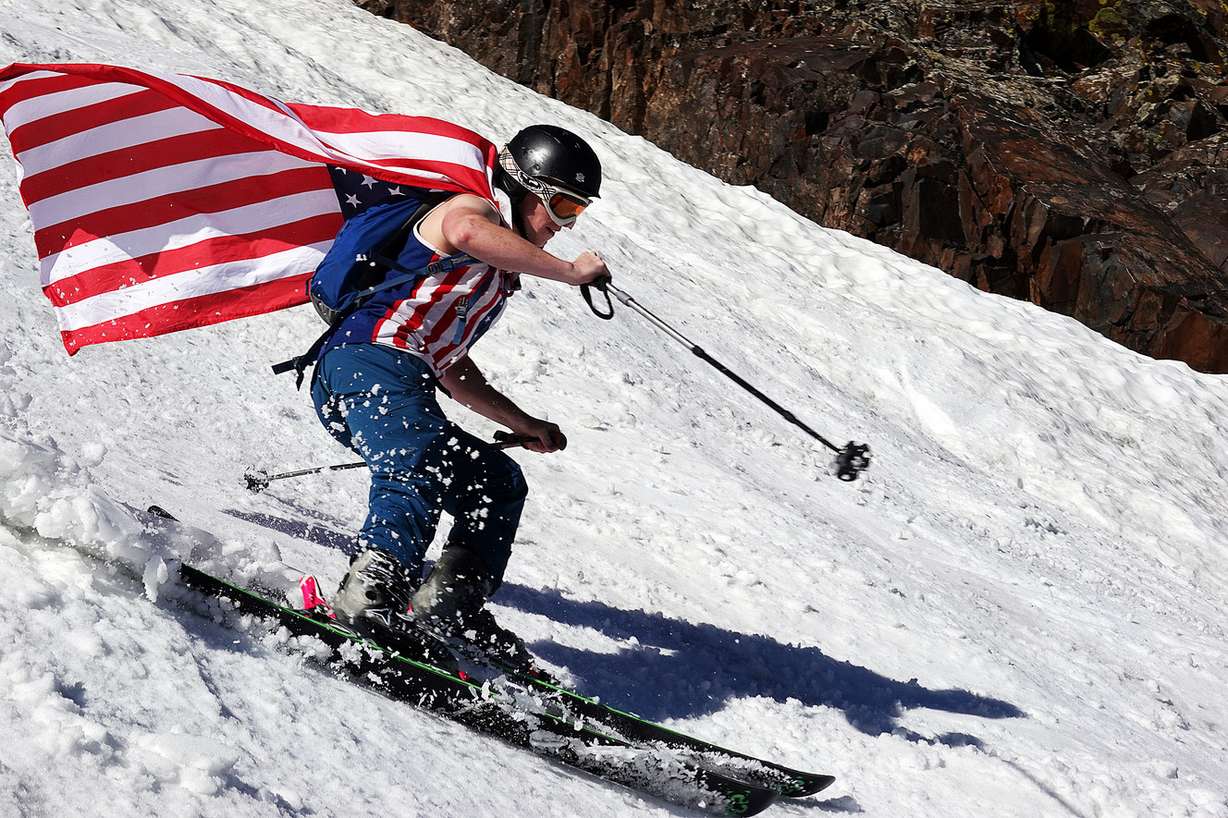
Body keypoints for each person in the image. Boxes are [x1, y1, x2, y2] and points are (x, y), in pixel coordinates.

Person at [310, 124, 608, 669]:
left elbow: (451, 368)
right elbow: (467, 231)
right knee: (417, 462)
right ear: (526, 187)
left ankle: (448, 609)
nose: (564, 225)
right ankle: (366, 598)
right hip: (366, 361)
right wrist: (570, 273)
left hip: (396, 374)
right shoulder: (473, 207)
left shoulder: (493, 274)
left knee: (495, 480)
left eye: (577, 212)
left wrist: (523, 423)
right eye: (563, 205)